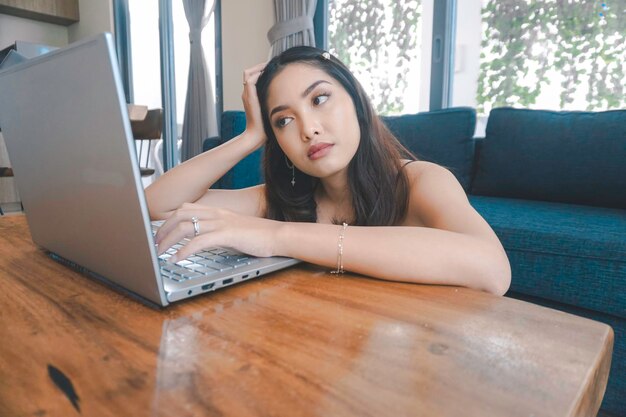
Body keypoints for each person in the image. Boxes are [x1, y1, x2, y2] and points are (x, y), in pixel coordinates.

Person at [146, 46, 511, 295]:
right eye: (284, 120)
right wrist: (251, 135)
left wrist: (277, 236)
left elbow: (493, 269)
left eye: (319, 99)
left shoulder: (420, 181)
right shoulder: (283, 198)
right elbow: (158, 204)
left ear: (356, 100)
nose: (308, 129)